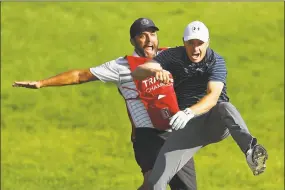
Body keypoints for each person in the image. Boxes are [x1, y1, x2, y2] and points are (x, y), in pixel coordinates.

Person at [12, 18, 197, 190]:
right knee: (153, 184)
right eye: (142, 36)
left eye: (152, 34)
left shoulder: (171, 56)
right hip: (146, 135)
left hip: (176, 131)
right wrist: (42, 83)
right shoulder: (121, 66)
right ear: (133, 41)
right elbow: (80, 75)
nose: (149, 40)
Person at [131, 20, 268, 189]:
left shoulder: (215, 61)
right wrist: (155, 70)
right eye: (191, 43)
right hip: (187, 129)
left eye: (200, 43)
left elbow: (213, 97)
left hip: (214, 122)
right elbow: (138, 72)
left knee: (225, 107)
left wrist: (188, 112)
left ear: (208, 42)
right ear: (184, 42)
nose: (195, 49)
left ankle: (251, 150)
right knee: (155, 183)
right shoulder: (172, 56)